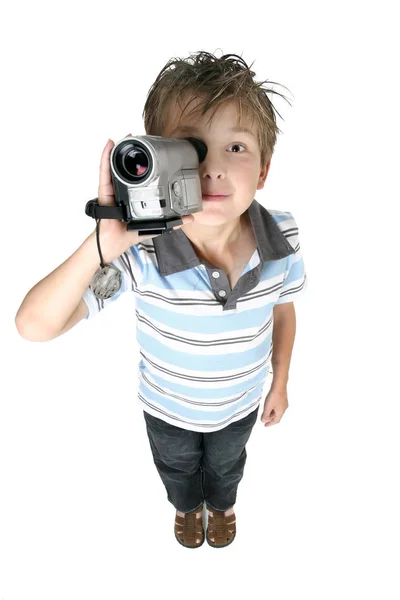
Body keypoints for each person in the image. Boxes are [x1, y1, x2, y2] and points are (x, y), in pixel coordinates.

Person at [15, 51, 307, 549]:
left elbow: (283, 308)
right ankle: (185, 509)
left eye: (235, 147)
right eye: (192, 148)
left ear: (263, 170)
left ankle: (223, 506)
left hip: (240, 404)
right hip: (166, 409)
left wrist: (280, 383)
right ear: (157, 157)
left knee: (229, 465)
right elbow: (35, 326)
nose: (212, 168)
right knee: (175, 468)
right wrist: (102, 244)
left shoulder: (282, 234)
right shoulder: (141, 253)